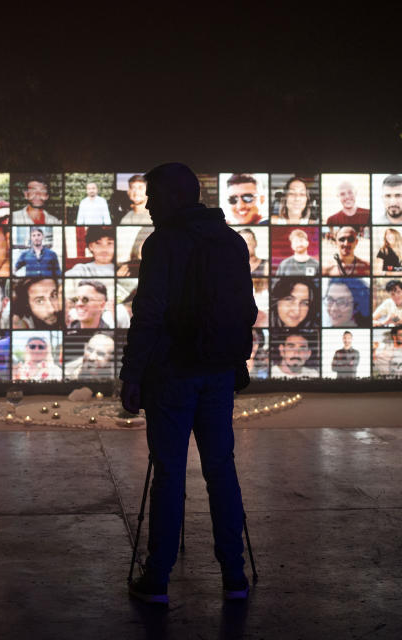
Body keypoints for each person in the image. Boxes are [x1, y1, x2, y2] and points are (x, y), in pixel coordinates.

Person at [120, 162, 256, 604]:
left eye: (155, 196)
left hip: (171, 374)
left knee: (169, 473)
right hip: (217, 373)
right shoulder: (231, 241)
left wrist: (132, 374)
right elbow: (246, 310)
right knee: (221, 470)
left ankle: (157, 578)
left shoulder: (163, 243)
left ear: (177, 196)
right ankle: (234, 577)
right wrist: (236, 362)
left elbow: (149, 314)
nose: (150, 205)